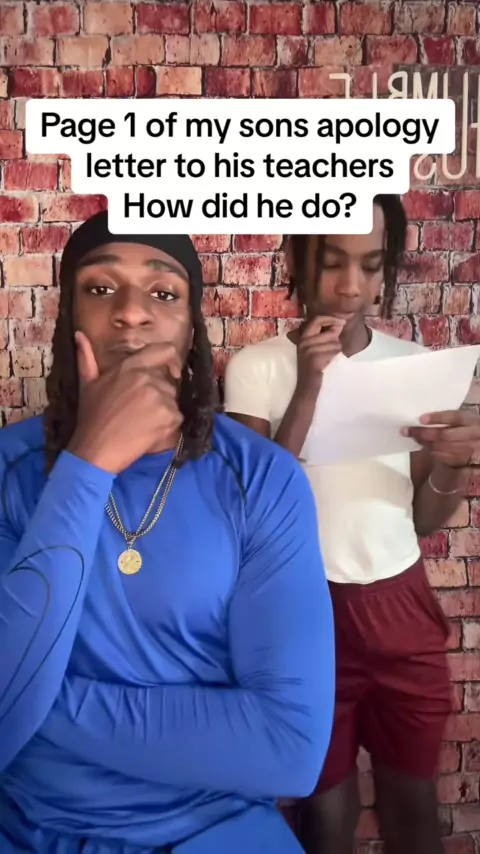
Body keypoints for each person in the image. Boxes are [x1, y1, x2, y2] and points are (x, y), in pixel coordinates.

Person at [0, 211, 335, 854]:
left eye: (163, 292)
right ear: (68, 316)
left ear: (191, 329)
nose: (131, 312)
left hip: (217, 831)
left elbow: (288, 749)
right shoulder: (9, 471)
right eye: (100, 288)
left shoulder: (261, 479)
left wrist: (34, 700)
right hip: (32, 827)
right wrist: (88, 465)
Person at [223, 194, 480, 854]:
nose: (350, 286)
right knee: (324, 810)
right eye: (332, 262)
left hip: (401, 603)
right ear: (297, 262)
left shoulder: (408, 364)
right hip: (307, 609)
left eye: (370, 265)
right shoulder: (257, 368)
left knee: (413, 807)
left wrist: (454, 465)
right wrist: (311, 385)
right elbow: (253, 514)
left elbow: (422, 519)